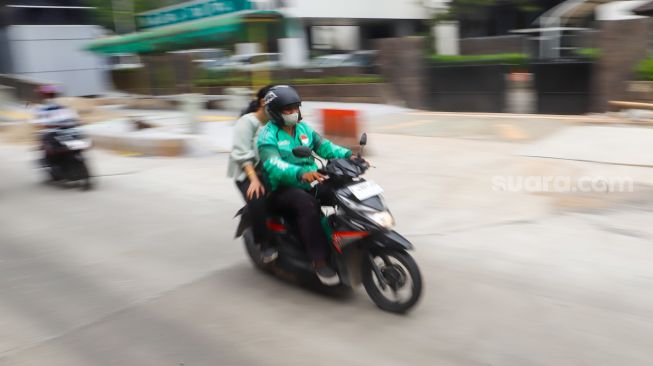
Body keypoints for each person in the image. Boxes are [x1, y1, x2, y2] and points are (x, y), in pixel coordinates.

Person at [257, 85, 352, 286]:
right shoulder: (268, 135)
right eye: (287, 110)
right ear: (274, 112)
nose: (293, 113)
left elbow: (324, 146)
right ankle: (319, 261)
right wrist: (300, 173)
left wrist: (348, 155)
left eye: (295, 108)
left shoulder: (303, 129)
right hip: (281, 189)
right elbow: (273, 164)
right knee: (307, 204)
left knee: (341, 189)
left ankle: (346, 238)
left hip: (310, 179)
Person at [228, 85, 278, 263]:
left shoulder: (276, 122)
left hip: (272, 171)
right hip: (247, 173)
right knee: (257, 197)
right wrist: (254, 180)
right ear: (264, 102)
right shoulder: (247, 122)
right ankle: (264, 244)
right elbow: (242, 155)